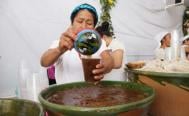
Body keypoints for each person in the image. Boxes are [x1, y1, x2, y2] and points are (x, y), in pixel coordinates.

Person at [40, 3, 114, 84]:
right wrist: (59, 49)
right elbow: (44, 62)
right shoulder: (61, 43)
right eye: (79, 21)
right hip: (67, 94)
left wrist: (105, 68)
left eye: (89, 23)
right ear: (72, 24)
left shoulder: (97, 42)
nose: (84, 26)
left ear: (93, 27)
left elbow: (109, 60)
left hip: (92, 94)